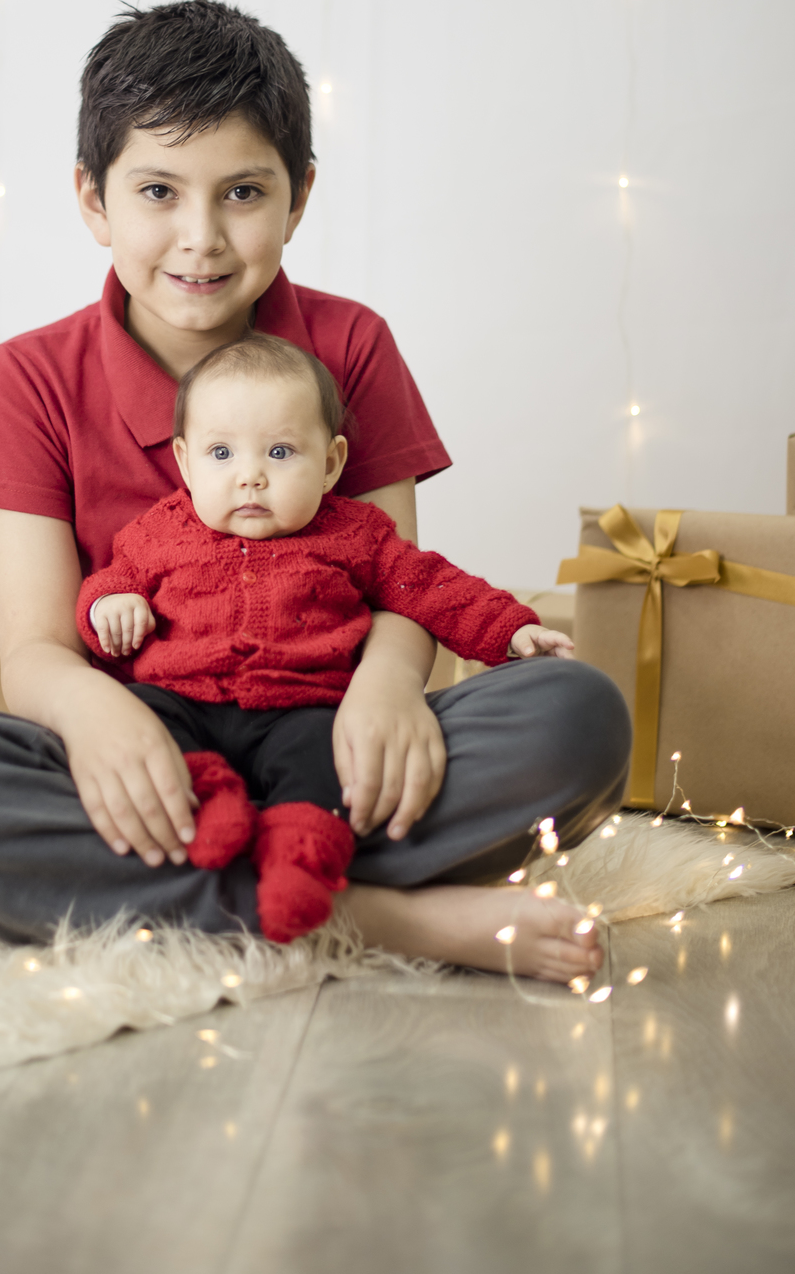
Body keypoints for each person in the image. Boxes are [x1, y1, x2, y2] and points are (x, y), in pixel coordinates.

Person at [0, 0, 630, 984]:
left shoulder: (353, 346)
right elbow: (37, 654)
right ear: (92, 199)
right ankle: (380, 913)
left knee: (575, 714)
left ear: (299, 196)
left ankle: (184, 884)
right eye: (157, 191)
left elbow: (399, 583)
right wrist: (102, 719)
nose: (200, 238)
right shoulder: (28, 377)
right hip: (159, 760)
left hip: (328, 737)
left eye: (242, 193)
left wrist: (391, 687)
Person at [79, 330, 573, 945]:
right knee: (141, 723)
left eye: (280, 453)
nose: (250, 478)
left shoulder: (356, 533)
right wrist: (111, 606)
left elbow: (434, 587)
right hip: (184, 701)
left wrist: (510, 628)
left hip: (300, 709)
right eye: (222, 454)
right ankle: (205, 801)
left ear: (331, 463)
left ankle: (299, 857)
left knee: (329, 757)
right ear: (185, 461)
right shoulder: (159, 531)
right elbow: (109, 583)